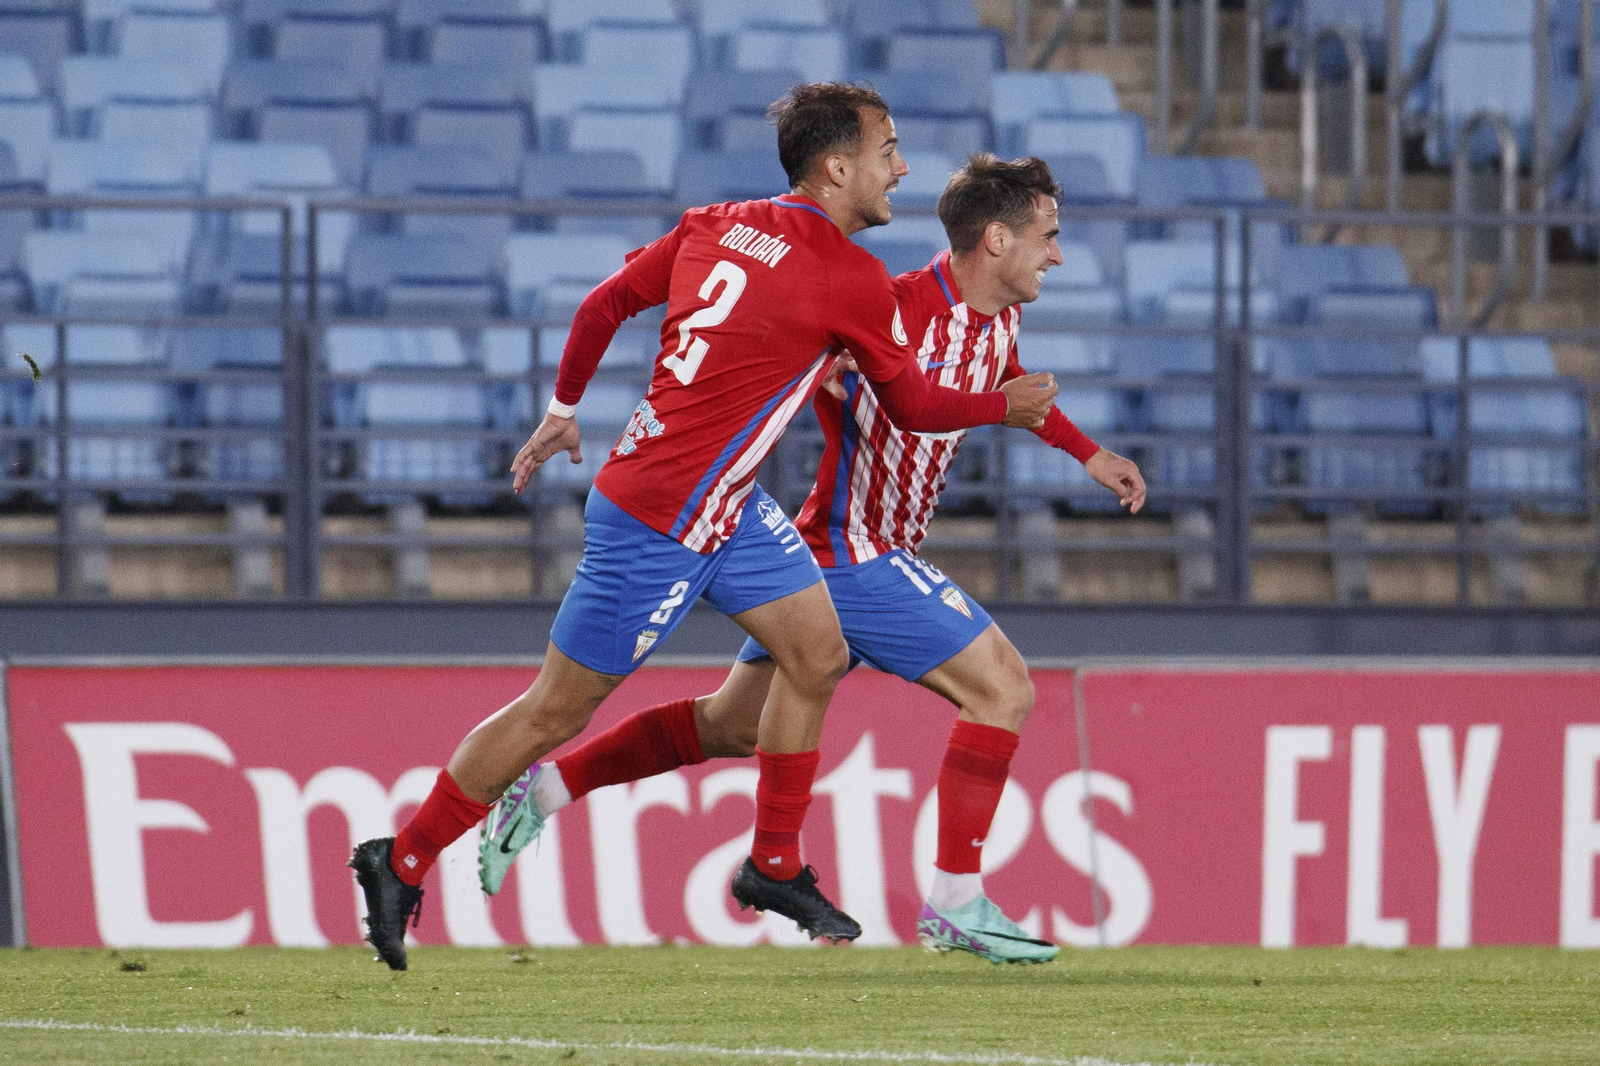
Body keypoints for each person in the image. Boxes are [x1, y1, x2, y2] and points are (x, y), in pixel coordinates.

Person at [349, 86, 1061, 970]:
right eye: (888, 150)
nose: (900, 168)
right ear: (838, 169)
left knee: (818, 654)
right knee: (553, 712)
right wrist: (1005, 407)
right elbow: (911, 405)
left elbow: (601, 307)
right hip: (662, 517)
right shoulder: (849, 277)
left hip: (730, 505)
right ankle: (403, 856)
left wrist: (565, 408)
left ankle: (774, 863)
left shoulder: (714, 222)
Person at [478, 154, 1147, 965]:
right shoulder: (892, 308)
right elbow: (823, 365)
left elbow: (1007, 385)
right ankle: (956, 902)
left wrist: (1086, 452)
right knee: (1003, 688)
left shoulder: (996, 318)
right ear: (997, 239)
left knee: (729, 727)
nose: (1058, 255)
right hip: (855, 550)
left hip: (824, 557)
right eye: (1048, 237)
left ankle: (541, 792)